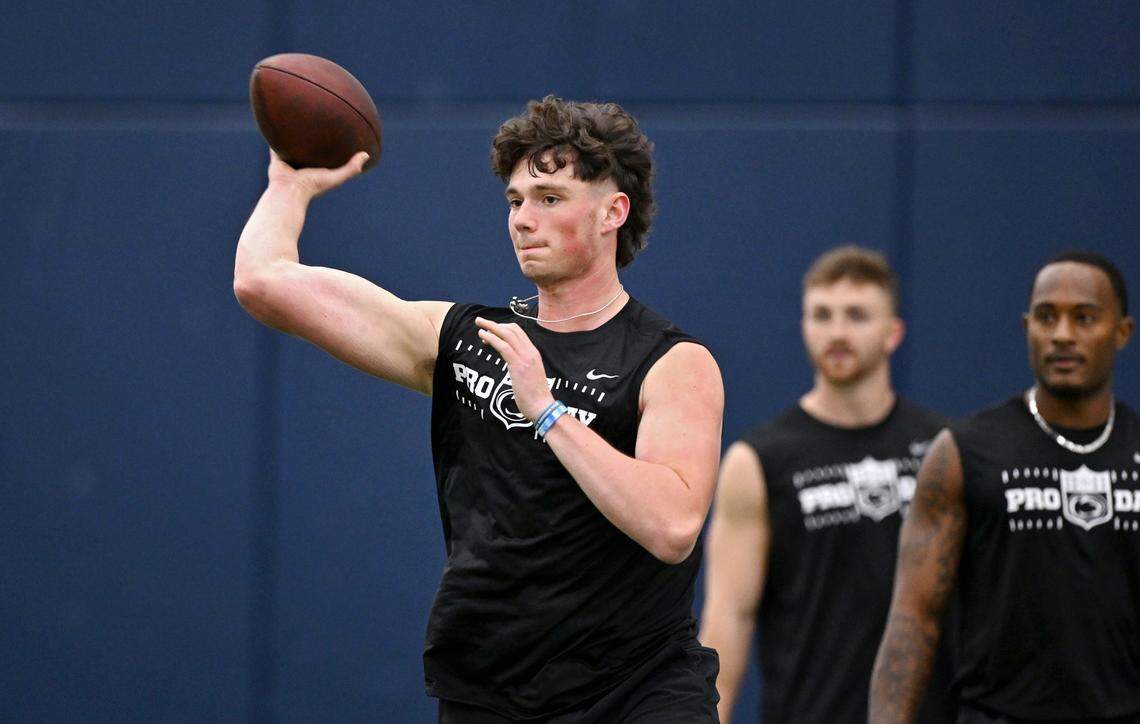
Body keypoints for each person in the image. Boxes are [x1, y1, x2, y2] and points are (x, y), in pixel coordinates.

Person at [233, 96, 723, 722]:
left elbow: (673, 526)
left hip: (637, 689)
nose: (523, 218)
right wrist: (288, 185)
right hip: (491, 687)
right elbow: (262, 281)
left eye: (549, 197)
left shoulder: (672, 362)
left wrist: (547, 412)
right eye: (515, 200)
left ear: (612, 212)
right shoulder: (470, 340)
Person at [870, 251, 1140, 723]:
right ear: (1025, 327)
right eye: (1045, 317)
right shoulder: (964, 452)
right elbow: (914, 619)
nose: (1061, 335)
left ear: (1121, 332)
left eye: (1084, 317)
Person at [699, 246, 957, 723]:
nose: (837, 332)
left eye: (857, 316)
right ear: (804, 327)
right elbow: (728, 617)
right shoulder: (758, 461)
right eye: (823, 315)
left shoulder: (944, 451)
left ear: (893, 332)